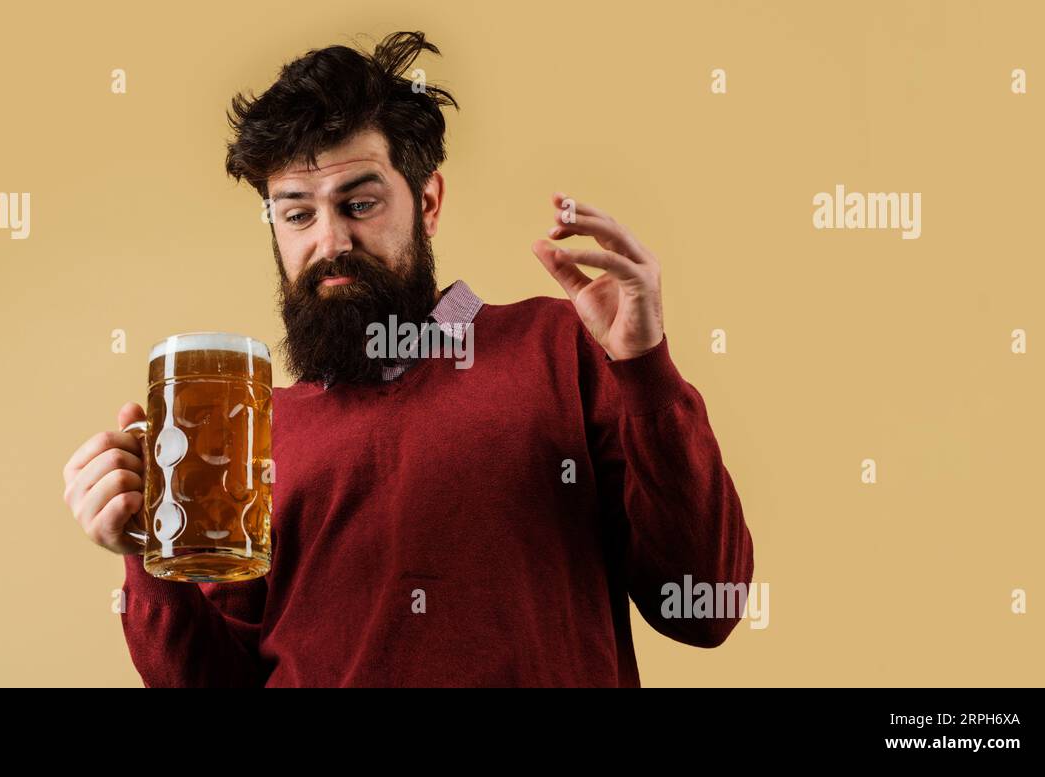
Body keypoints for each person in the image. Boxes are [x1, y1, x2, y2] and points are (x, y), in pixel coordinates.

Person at [61, 30, 753, 687]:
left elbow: (707, 606)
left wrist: (645, 369)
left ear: (426, 202)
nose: (330, 241)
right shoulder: (246, 435)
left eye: (359, 202)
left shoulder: (559, 348)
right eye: (296, 213)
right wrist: (149, 558)